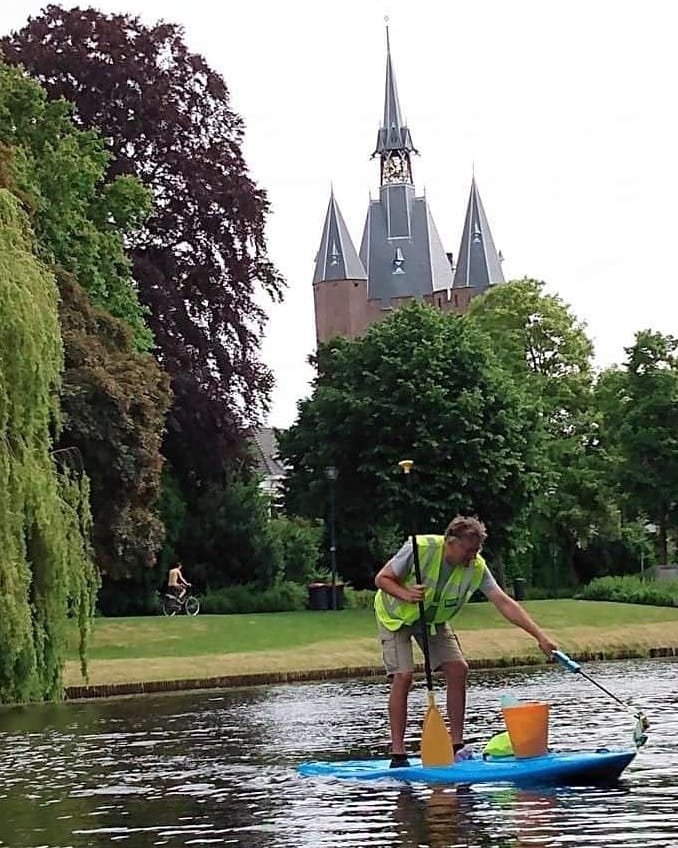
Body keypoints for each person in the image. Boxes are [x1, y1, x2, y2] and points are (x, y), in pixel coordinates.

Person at [374, 515, 558, 768]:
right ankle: (398, 754)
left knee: (458, 668)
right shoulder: (421, 548)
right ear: (451, 541)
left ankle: (456, 745)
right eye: (468, 550)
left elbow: (503, 601)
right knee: (403, 676)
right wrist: (406, 593)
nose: (472, 557)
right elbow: (382, 579)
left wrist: (540, 636)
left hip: (433, 620)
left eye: (476, 550)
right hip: (395, 617)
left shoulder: (477, 567)